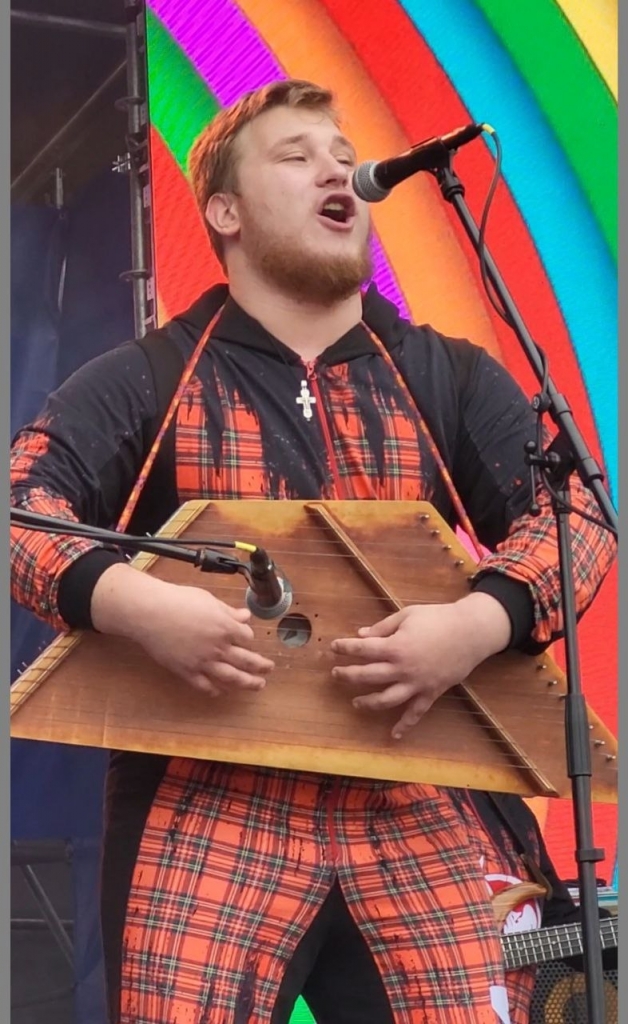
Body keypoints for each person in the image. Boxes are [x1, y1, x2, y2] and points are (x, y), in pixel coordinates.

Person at [10, 79, 615, 1024]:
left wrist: (472, 625)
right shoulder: (151, 376)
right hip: (207, 807)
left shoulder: (444, 374)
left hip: (420, 795)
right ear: (225, 213)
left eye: (342, 155)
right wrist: (137, 605)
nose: (337, 170)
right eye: (296, 157)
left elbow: (580, 518)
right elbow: (21, 510)